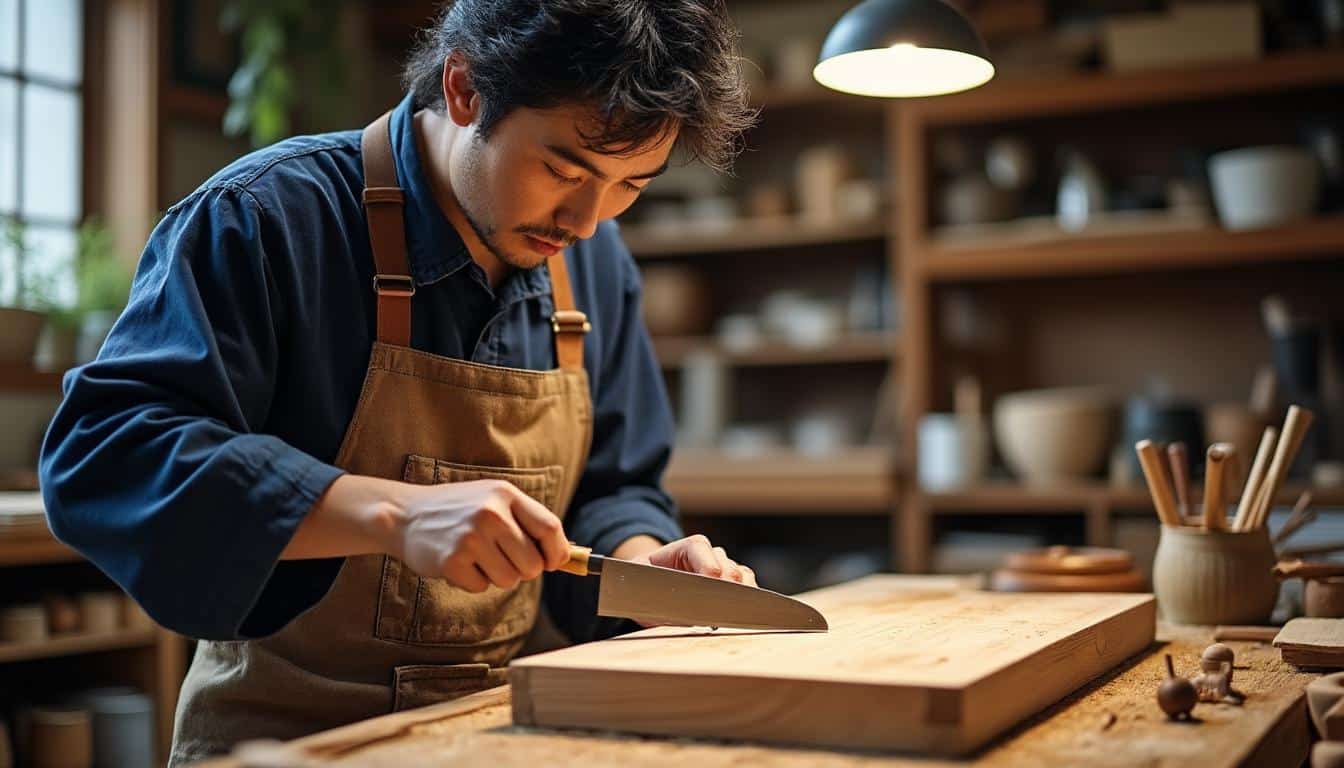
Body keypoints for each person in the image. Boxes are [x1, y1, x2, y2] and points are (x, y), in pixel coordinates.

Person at [38, 1, 758, 763]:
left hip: (494, 739)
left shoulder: (594, 264)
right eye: (561, 169)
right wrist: (392, 514)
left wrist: (642, 563)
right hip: (287, 742)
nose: (585, 218)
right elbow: (105, 453)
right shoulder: (267, 218)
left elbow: (614, 486)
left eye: (630, 186)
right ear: (464, 88)